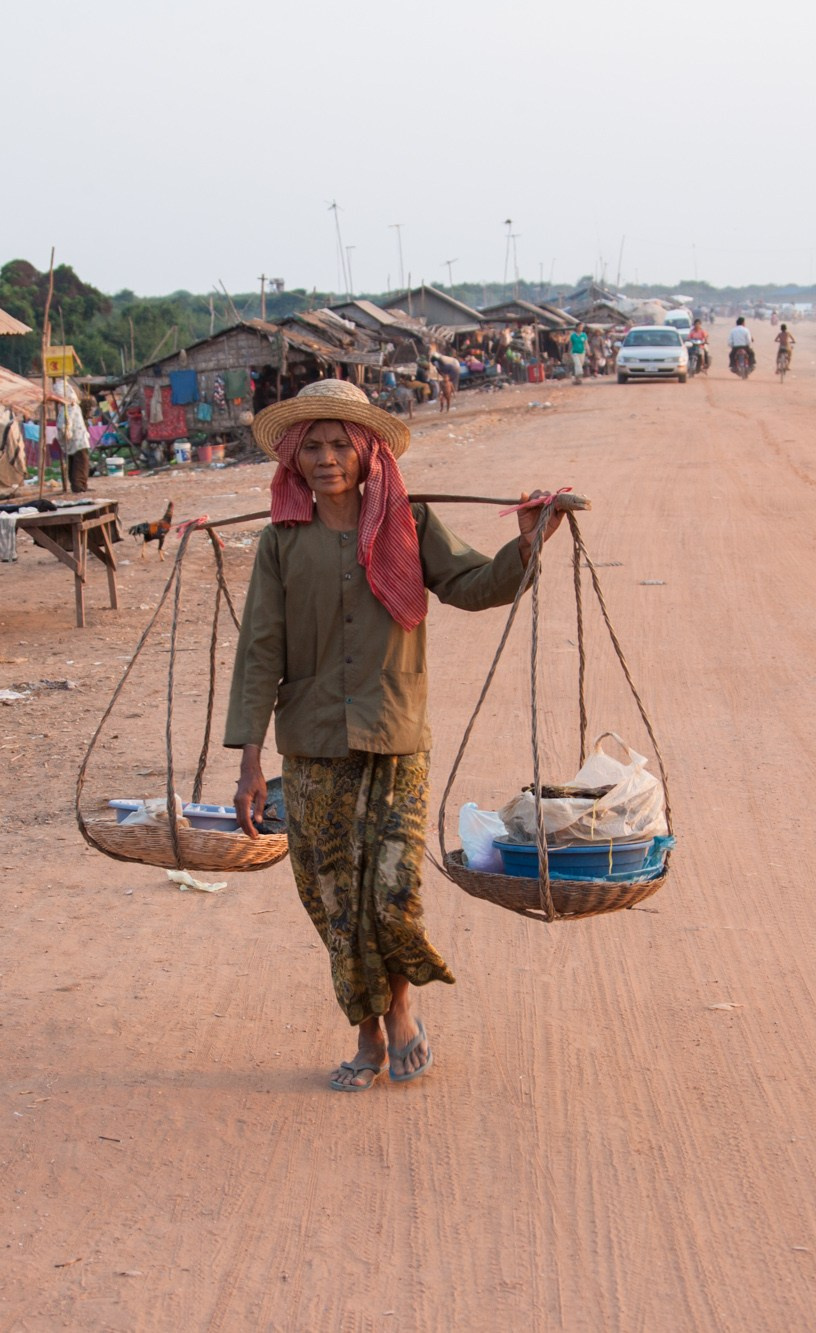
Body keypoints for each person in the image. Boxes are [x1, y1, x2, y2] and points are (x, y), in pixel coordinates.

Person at [226, 379, 563, 1092]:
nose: (326, 459)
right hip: (313, 741)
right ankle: (367, 1028)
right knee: (333, 898)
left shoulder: (409, 521)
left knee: (392, 889)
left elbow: (473, 584)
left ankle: (402, 1006)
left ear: (366, 452)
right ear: (293, 458)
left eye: (339, 445)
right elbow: (260, 649)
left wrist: (527, 543)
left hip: (395, 734)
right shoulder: (281, 541)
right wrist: (250, 759)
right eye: (312, 447)